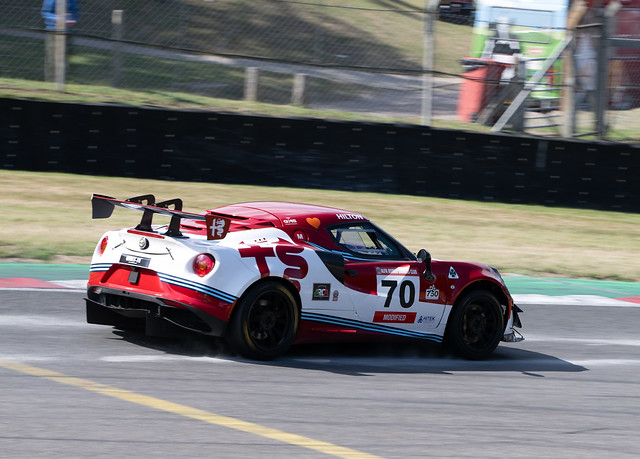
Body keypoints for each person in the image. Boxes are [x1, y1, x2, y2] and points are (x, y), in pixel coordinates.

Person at [41, 0, 79, 82]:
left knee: (65, 57)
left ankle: (63, 81)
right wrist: (58, 19)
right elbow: (46, 12)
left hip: (68, 31)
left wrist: (73, 20)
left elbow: (75, 12)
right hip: (54, 30)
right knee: (52, 58)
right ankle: (50, 82)